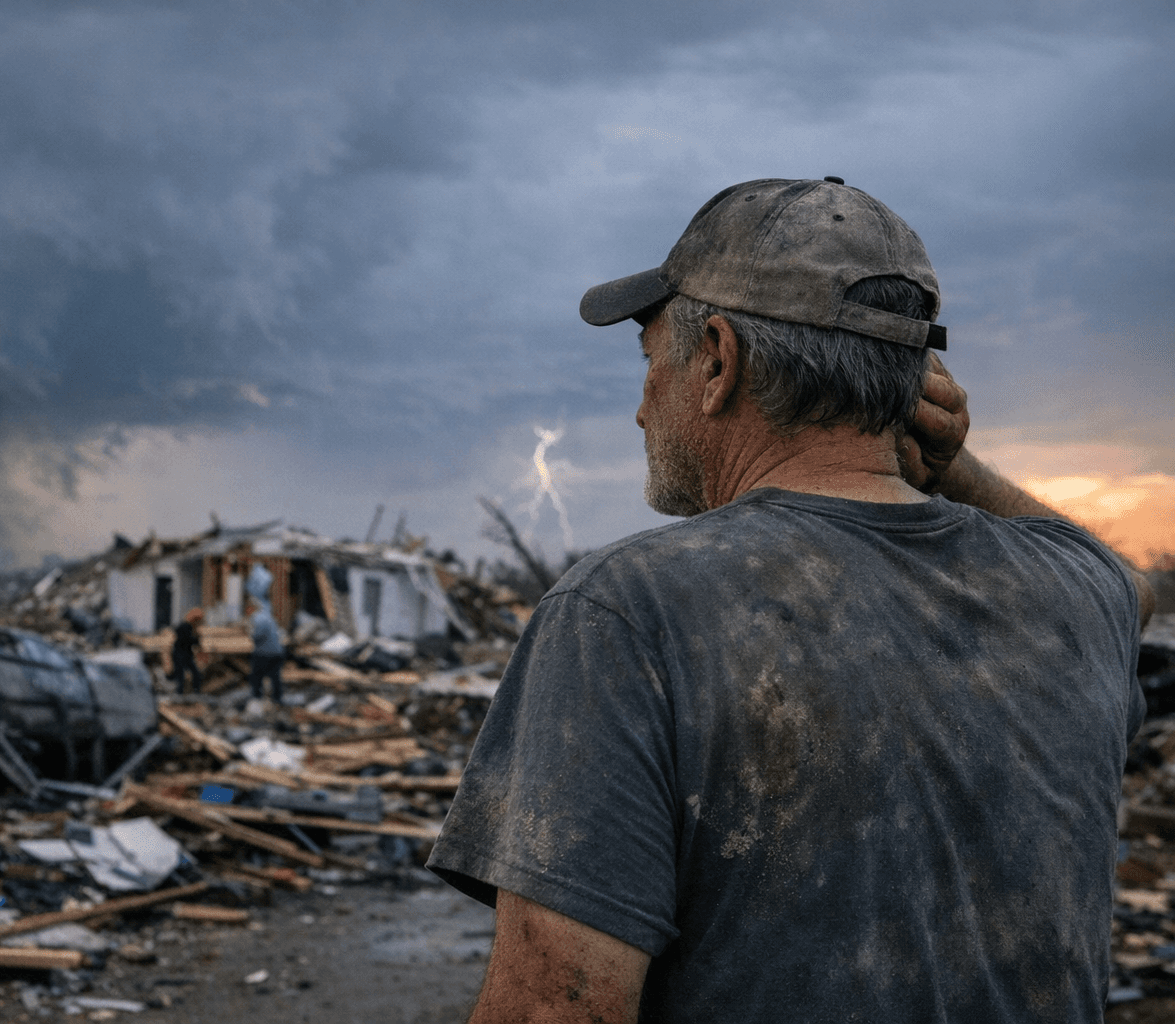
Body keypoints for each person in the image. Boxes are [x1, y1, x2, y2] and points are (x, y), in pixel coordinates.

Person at [426, 177, 1153, 1023]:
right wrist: (953, 469)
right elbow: (1122, 584)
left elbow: (553, 1012)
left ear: (719, 360)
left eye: (650, 360)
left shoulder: (628, 611)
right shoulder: (1072, 598)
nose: (638, 411)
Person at [248, 596, 285, 702]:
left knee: (256, 675)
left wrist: (250, 634)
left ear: (252, 608)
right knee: (275, 676)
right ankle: (277, 698)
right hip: (277, 651)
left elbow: (258, 635)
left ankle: (257, 697)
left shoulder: (258, 617)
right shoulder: (268, 616)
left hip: (265, 653)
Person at [169, 607, 203, 695]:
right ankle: (181, 693)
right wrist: (197, 639)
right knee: (181, 676)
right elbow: (188, 640)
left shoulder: (189, 627)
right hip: (180, 655)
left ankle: (195, 692)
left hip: (185, 655)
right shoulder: (184, 627)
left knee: (194, 674)